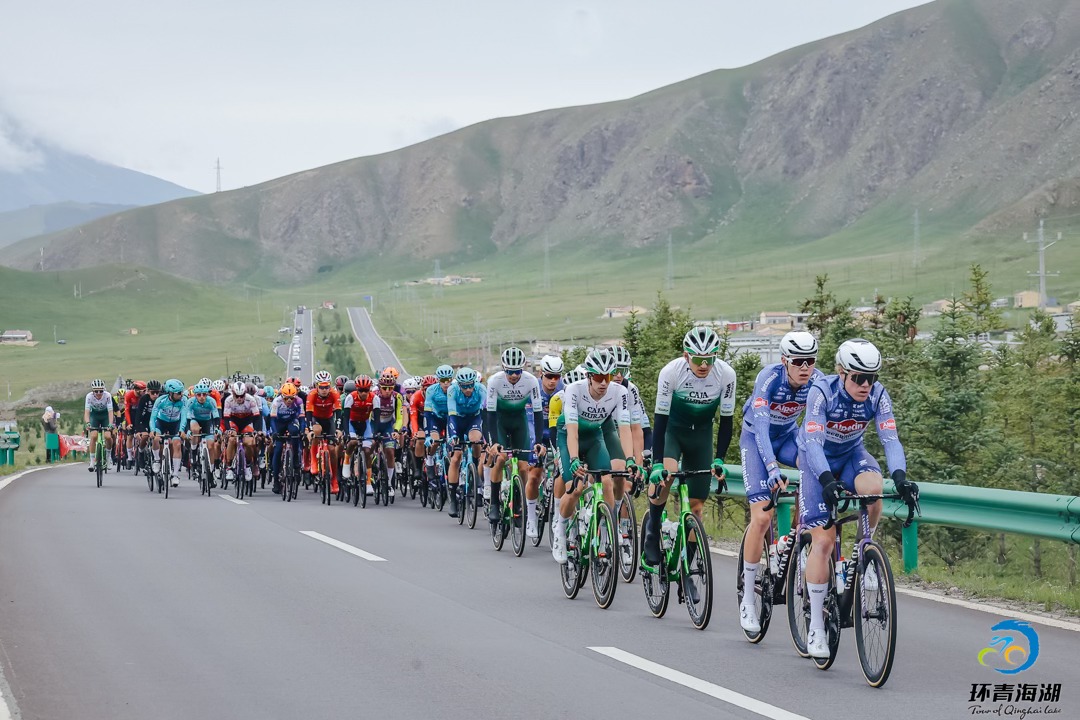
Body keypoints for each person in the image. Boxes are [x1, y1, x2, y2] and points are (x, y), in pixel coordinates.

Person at [797, 338, 918, 658]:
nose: (866, 385)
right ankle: (816, 628)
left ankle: (864, 554)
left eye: (872, 378)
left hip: (851, 455)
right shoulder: (821, 392)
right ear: (841, 373)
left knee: (874, 490)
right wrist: (825, 479)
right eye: (859, 378)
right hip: (816, 460)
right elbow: (811, 441)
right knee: (823, 541)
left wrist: (901, 477)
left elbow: (890, 438)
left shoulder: (877, 395)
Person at [737, 331, 824, 633]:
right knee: (762, 518)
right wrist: (772, 467)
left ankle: (800, 536)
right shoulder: (769, 378)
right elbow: (760, 429)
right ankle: (748, 597)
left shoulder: (818, 382)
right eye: (798, 361)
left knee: (813, 469)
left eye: (810, 361)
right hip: (756, 440)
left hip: (787, 437)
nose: (805, 367)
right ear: (785, 361)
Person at [643, 327, 736, 572]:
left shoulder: (726, 375)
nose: (703, 365)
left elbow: (727, 420)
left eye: (709, 359)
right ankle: (653, 528)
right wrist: (657, 464)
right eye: (697, 359)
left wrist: (719, 458)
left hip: (701, 436)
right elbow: (660, 420)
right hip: (672, 431)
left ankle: (689, 568)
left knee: (696, 507)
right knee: (667, 476)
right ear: (687, 356)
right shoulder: (671, 373)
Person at [552, 350, 635, 564]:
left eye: (607, 377)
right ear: (588, 376)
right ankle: (560, 532)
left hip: (595, 435)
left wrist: (630, 460)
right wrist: (573, 459)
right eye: (598, 377)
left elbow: (624, 429)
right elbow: (572, 430)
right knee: (576, 488)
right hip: (568, 435)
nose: (604, 383)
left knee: (607, 481)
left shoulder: (619, 392)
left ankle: (608, 532)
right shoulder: (574, 390)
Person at [484, 347, 545, 531]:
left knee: (523, 467)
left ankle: (519, 505)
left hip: (519, 422)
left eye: (517, 371)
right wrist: (494, 442)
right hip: (500, 421)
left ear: (523, 368)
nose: (513, 376)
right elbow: (491, 414)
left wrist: (539, 442)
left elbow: (538, 413)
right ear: (504, 368)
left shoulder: (531, 381)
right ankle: (494, 503)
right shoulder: (494, 381)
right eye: (509, 372)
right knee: (501, 458)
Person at [445, 367, 486, 518]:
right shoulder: (452, 390)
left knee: (476, 441)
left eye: (470, 385)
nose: (468, 389)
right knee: (456, 456)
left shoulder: (481, 389)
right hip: (457, 419)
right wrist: (454, 435)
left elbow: (486, 413)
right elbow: (452, 414)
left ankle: (474, 471)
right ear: (459, 385)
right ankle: (453, 498)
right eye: (464, 386)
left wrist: (486, 437)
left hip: (473, 419)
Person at [149, 379, 188, 486]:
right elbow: (153, 418)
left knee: (177, 444)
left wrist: (181, 430)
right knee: (156, 438)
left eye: (182, 392)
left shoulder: (183, 400)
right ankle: (157, 460)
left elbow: (184, 416)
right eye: (179, 393)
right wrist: (152, 430)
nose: (181, 394)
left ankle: (175, 475)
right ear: (170, 393)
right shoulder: (161, 400)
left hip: (175, 424)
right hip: (161, 422)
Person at [83, 379, 115, 472]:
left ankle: (108, 457)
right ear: (93, 391)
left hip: (105, 415)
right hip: (95, 416)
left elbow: (110, 411)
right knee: (93, 436)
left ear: (103, 390)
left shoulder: (107, 395)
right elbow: (87, 411)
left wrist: (110, 424)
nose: (98, 393)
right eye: (96, 391)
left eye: (101, 391)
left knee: (108, 436)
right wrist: (88, 423)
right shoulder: (89, 396)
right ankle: (92, 461)